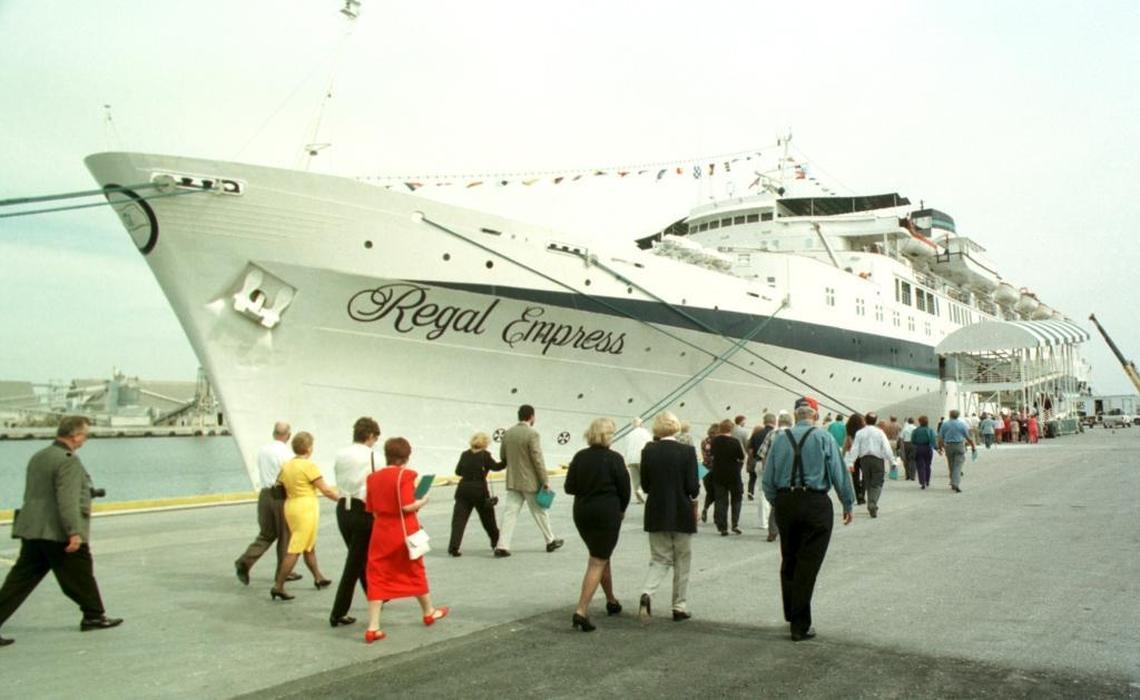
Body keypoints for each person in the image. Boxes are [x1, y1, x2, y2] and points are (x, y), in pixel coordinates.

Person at [0, 416, 122, 646]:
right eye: (85, 435)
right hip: (57, 531)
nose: (85, 440)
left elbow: (37, 494)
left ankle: (94, 614)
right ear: (75, 435)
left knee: (19, 581)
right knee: (81, 571)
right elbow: (66, 500)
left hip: (32, 528)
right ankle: (94, 616)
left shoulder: (40, 456)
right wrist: (74, 532)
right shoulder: (68, 461)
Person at [762, 398, 855, 641]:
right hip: (815, 502)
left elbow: (767, 477)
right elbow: (838, 470)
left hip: (785, 501)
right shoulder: (823, 438)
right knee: (809, 562)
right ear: (814, 417)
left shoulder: (780, 438)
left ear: (795, 417)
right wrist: (847, 502)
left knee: (789, 559)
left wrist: (778, 501)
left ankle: (792, 614)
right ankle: (800, 625)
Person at [362, 437, 448, 643]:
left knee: (377, 573)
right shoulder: (406, 475)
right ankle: (429, 611)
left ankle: (373, 626)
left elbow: (371, 508)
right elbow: (407, 506)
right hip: (404, 530)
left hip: (381, 530)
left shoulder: (372, 478)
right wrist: (423, 500)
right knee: (414, 569)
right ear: (406, 457)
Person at [565, 418, 631, 631]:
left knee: (602, 556)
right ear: (608, 436)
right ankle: (581, 611)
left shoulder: (579, 457)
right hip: (607, 512)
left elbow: (569, 487)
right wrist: (621, 510)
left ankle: (611, 600)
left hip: (582, 512)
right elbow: (625, 490)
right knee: (597, 560)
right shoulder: (614, 459)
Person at [638, 411, 700, 622]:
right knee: (682, 560)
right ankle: (679, 606)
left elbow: (645, 485)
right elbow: (693, 487)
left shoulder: (648, 451)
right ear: (676, 428)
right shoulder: (688, 451)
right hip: (681, 512)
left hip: (656, 511)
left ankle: (647, 593)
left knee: (659, 558)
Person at [270, 432, 339, 600]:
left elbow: (280, 486)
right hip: (305, 508)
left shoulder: (287, 465)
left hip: (291, 506)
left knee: (308, 544)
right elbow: (326, 489)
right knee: (295, 548)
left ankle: (318, 577)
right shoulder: (309, 466)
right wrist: (343, 500)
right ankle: (278, 586)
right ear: (309, 448)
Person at [328, 417, 380, 628]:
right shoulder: (373, 456)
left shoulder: (341, 454)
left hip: (343, 508)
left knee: (359, 558)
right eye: (375, 438)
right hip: (362, 509)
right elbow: (377, 484)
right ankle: (338, 612)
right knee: (354, 563)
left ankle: (376, 595)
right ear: (369, 436)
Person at [234, 421, 300, 585]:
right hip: (280, 496)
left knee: (266, 534)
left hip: (264, 495)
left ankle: (245, 561)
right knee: (286, 535)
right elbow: (290, 477)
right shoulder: (287, 454)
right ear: (288, 435)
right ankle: (283, 572)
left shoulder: (263, 450)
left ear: (273, 433)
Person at [495, 405, 563, 557]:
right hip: (530, 482)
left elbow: (503, 456)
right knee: (540, 511)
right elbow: (537, 459)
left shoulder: (508, 433)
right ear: (531, 416)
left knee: (509, 514)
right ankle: (550, 540)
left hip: (513, 481)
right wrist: (544, 480)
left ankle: (502, 546)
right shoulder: (532, 434)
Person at [448, 432, 505, 556]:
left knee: (459, 521)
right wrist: (506, 460)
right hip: (480, 491)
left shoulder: (464, 454)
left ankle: (454, 547)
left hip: (463, 490)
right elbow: (496, 467)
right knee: (488, 520)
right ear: (485, 443)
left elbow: (458, 472)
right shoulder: (485, 455)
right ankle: (497, 544)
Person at [755, 412, 792, 542]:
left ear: (779, 423)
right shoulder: (795, 434)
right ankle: (789, 531)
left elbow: (763, 454)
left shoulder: (772, 434)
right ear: (790, 422)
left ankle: (772, 531)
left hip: (775, 472)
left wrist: (766, 472)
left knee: (776, 502)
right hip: (791, 473)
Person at [850, 412, 894, 517]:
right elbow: (887, 448)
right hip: (877, 460)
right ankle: (872, 504)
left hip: (864, 460)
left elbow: (855, 448)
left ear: (865, 420)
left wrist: (850, 462)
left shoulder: (860, 433)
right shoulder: (880, 432)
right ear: (875, 421)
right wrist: (892, 461)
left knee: (868, 481)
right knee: (877, 482)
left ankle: (871, 502)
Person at [710, 419, 745, 536]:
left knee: (721, 500)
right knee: (736, 498)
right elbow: (741, 456)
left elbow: (712, 454)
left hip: (718, 473)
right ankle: (735, 524)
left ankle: (722, 527)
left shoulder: (715, 441)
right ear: (731, 429)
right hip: (733, 474)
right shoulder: (734, 442)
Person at [937, 409, 976, 493]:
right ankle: (955, 483)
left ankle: (952, 481)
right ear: (958, 416)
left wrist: (940, 447)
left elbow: (940, 437)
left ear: (950, 415)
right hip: (959, 445)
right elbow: (968, 437)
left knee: (951, 464)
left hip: (949, 446)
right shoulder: (962, 424)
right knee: (958, 465)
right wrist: (973, 447)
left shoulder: (945, 424)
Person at [748, 415, 776, 503]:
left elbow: (750, 450)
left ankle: (763, 512)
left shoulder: (756, 434)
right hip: (772, 463)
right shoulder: (775, 433)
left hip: (759, 461)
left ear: (764, 422)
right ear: (775, 422)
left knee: (762, 488)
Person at [624, 418, 652, 505]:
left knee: (635, 478)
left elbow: (626, 447)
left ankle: (638, 494)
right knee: (644, 476)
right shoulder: (645, 433)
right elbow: (650, 444)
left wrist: (626, 460)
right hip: (642, 458)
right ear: (641, 424)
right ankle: (643, 492)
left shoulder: (629, 435)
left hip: (631, 459)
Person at [843, 413, 867, 505]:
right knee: (865, 475)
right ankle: (862, 494)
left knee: (855, 476)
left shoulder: (849, 429)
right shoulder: (864, 429)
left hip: (853, 456)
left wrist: (842, 454)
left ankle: (858, 497)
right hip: (863, 454)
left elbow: (846, 442)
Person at [910, 416, 937, 489]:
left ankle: (922, 482)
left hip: (918, 448)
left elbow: (912, 441)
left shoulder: (916, 431)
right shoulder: (930, 430)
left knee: (920, 466)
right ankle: (927, 481)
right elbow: (933, 440)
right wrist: (937, 448)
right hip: (928, 448)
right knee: (928, 465)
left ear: (920, 422)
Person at [699, 423, 717, 523]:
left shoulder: (704, 441)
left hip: (704, 468)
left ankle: (705, 509)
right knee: (717, 492)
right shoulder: (718, 442)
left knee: (709, 492)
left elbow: (703, 454)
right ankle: (715, 514)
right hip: (715, 468)